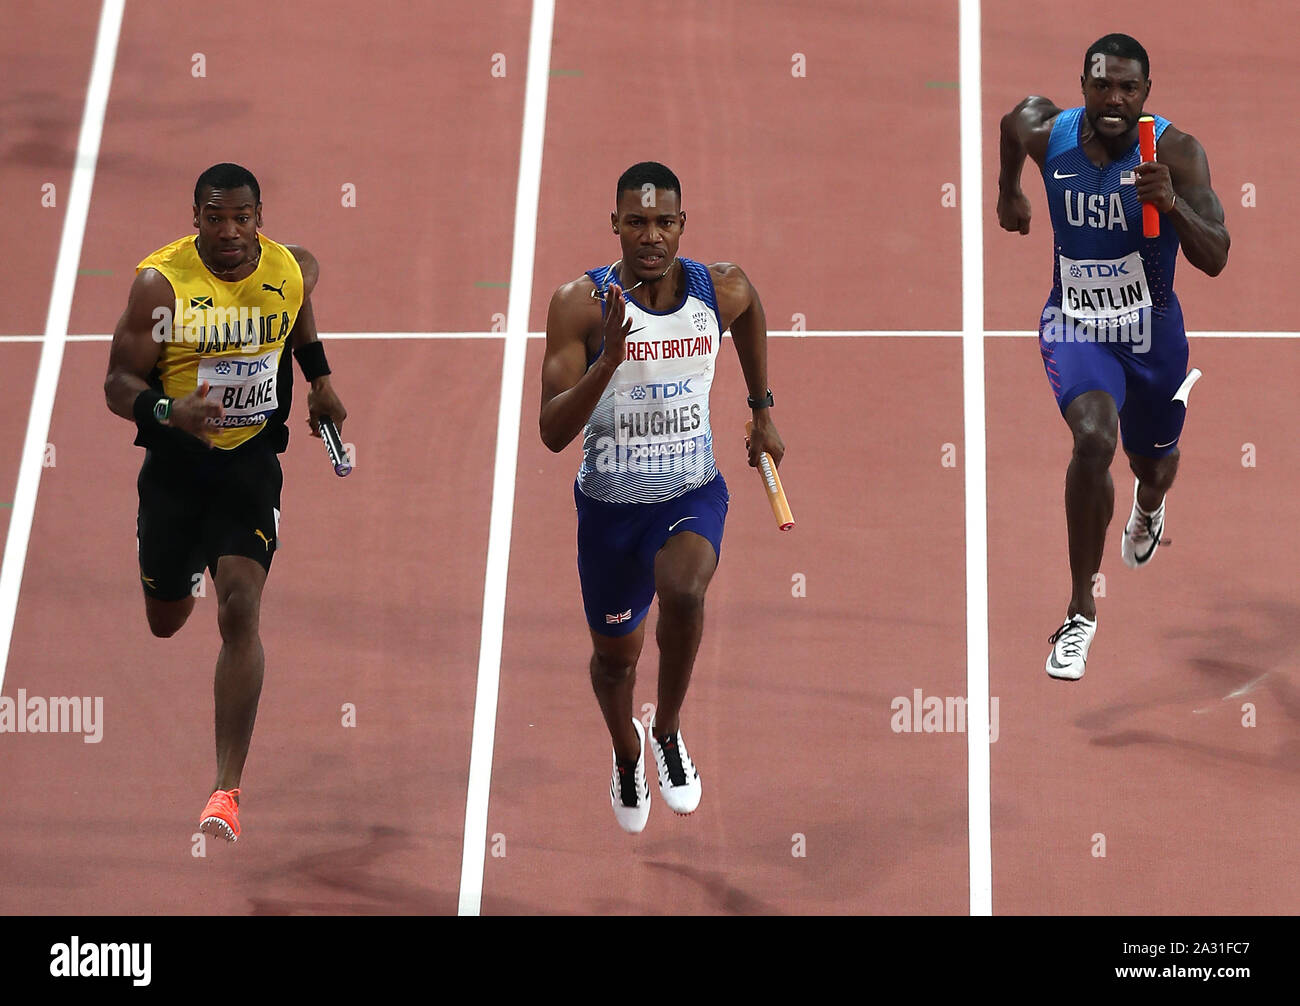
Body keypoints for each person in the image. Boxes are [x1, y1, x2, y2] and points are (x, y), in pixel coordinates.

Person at [103, 163, 347, 841]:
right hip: (176, 468)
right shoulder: (163, 285)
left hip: (248, 465)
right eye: (216, 218)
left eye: (243, 217)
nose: (231, 231)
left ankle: (225, 790)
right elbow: (116, 381)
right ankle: (174, 567)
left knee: (240, 603)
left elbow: (298, 296)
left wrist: (319, 377)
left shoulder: (287, 268)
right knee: (167, 619)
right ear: (196, 218)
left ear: (260, 217)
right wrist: (166, 408)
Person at [540, 162, 785, 832]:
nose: (651, 235)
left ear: (683, 225)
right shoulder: (579, 305)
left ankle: (669, 731)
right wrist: (609, 361)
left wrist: (761, 408)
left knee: (684, 588)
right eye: (637, 222)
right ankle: (626, 753)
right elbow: (552, 432)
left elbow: (752, 306)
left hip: (690, 490)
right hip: (609, 513)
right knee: (615, 664)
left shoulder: (717, 288)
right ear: (614, 224)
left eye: (664, 222)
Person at [998, 34, 1229, 681]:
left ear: (1146, 94)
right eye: (1102, 85)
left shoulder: (1178, 154)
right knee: (1094, 439)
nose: (1114, 99)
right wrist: (1006, 194)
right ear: (1082, 85)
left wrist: (1171, 205)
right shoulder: (1051, 134)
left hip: (1153, 334)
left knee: (1152, 467)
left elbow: (1216, 256)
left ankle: (1149, 509)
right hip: (1076, 324)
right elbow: (1011, 125)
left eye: (1128, 88)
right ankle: (1079, 611)